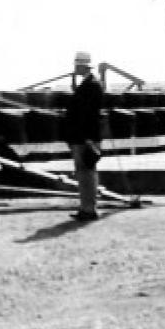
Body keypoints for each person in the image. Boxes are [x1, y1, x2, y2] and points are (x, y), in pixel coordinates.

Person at [64, 51, 103, 221]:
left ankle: (88, 209)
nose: (75, 68)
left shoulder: (90, 86)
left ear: (81, 66)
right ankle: (86, 207)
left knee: (85, 173)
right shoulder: (89, 84)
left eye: (76, 65)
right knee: (85, 172)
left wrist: (87, 139)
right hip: (84, 136)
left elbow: (87, 114)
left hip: (84, 138)